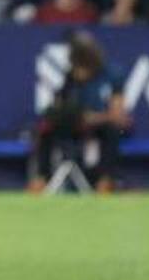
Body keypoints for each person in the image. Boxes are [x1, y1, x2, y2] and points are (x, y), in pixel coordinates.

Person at [28, 32, 129, 193]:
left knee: (112, 131)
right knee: (46, 130)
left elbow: (118, 116)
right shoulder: (71, 77)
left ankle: (105, 181)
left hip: (102, 125)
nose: (79, 72)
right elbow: (60, 107)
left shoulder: (113, 75)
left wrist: (93, 118)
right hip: (77, 125)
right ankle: (41, 178)